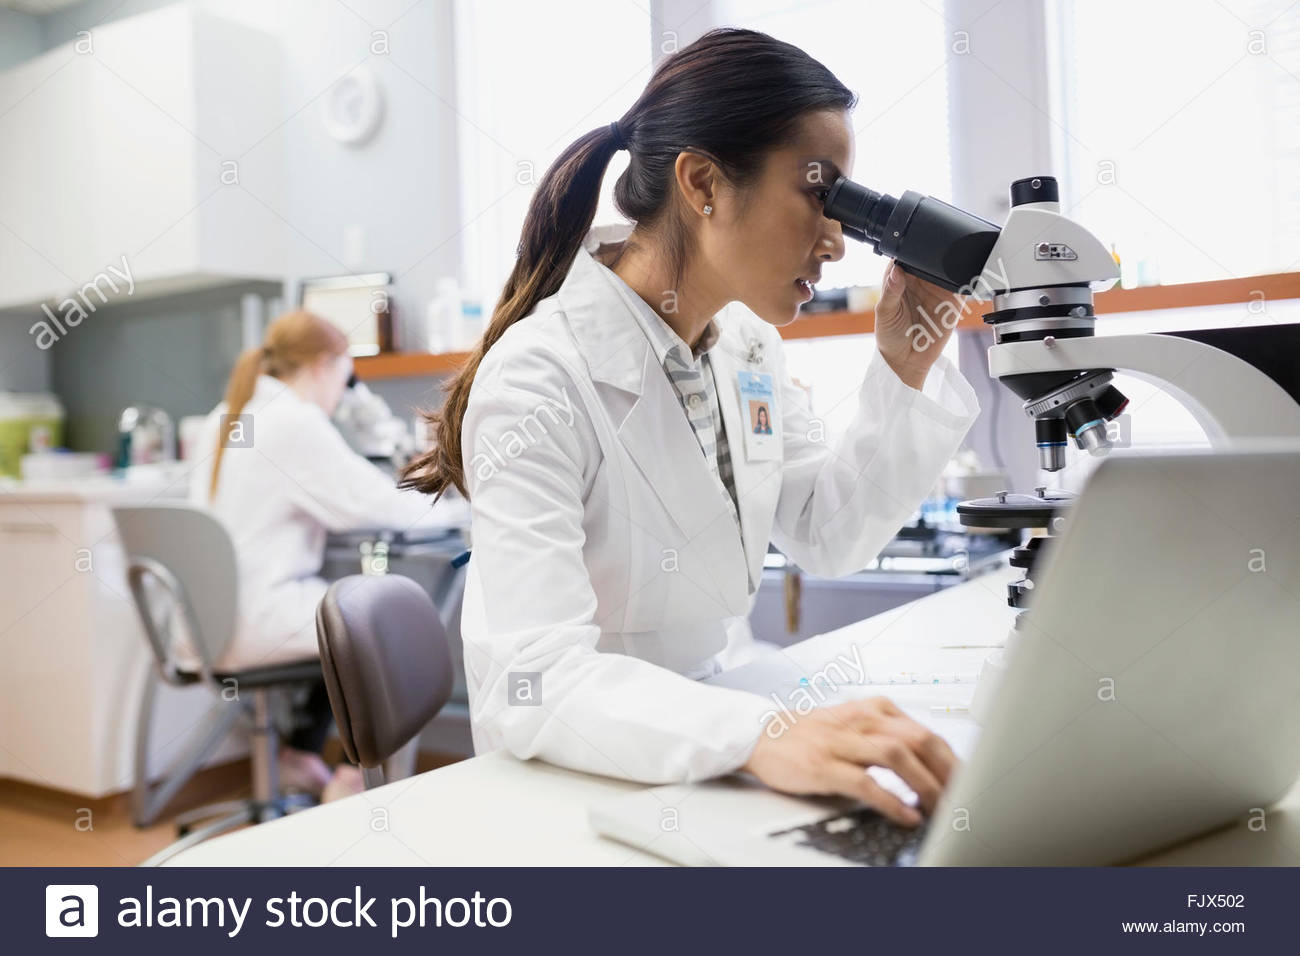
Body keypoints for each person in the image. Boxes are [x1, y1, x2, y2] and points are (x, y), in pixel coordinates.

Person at [401, 29, 980, 827]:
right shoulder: (540, 377)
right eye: (820, 193)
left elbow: (828, 534)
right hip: (584, 780)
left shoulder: (746, 347)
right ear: (704, 183)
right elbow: (530, 681)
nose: (838, 237)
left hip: (722, 734)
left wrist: (905, 363)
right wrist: (756, 735)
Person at [189, 309, 462, 799]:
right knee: (369, 624)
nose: (344, 390)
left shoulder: (226, 415)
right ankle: (356, 781)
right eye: (344, 375)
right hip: (252, 618)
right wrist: (456, 508)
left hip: (205, 618)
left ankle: (298, 755)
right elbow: (376, 505)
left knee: (341, 608)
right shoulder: (294, 421)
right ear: (323, 365)